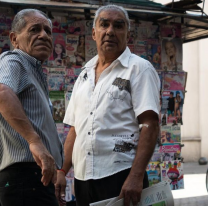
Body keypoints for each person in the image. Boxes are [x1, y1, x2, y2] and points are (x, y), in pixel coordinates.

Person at [55, 5, 160, 206]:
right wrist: (62, 171)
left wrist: (136, 176)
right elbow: (76, 130)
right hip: (83, 179)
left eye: (118, 26)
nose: (110, 31)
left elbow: (150, 124)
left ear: (127, 35)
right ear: (94, 33)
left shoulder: (139, 69)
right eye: (104, 24)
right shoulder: (84, 75)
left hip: (121, 177)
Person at [0, 9, 63, 206]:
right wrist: (34, 141)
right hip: (24, 177)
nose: (43, 35)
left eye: (48, 31)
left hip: (36, 178)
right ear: (14, 38)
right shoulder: (14, 60)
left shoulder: (34, 70)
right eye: (34, 29)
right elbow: (2, 92)